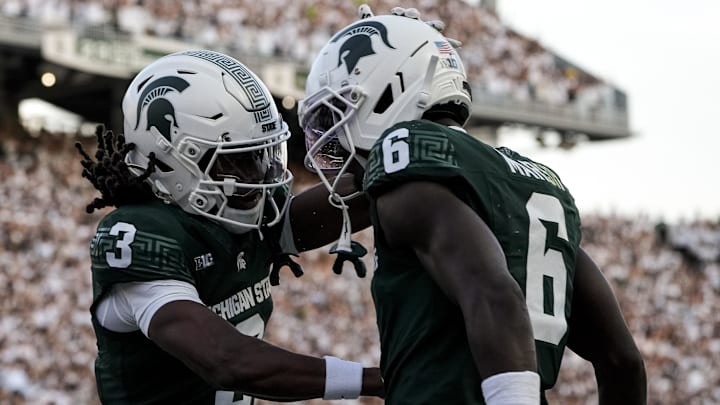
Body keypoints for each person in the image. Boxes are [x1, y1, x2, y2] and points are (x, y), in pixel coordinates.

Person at [299, 6, 647, 404]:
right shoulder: (527, 181)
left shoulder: (407, 163)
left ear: (393, 92)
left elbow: (494, 292)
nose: (333, 133)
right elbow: (622, 362)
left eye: (339, 111)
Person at [76, 49, 383, 404]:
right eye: (236, 162)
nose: (259, 178)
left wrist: (411, 158)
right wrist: (373, 380)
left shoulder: (240, 217)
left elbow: (356, 195)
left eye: (260, 156)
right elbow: (228, 361)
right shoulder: (140, 234)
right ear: (174, 160)